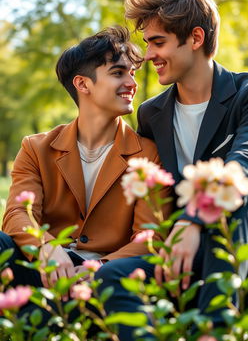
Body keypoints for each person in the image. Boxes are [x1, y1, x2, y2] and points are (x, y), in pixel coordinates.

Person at [96, 0, 248, 340]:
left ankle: (214, 331)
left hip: (235, 244)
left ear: (195, 37)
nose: (148, 54)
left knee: (236, 196)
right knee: (112, 276)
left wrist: (194, 219)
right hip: (179, 251)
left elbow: (246, 163)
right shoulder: (151, 113)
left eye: (158, 42)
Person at [0, 26, 170, 329]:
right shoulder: (36, 148)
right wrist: (46, 248)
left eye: (132, 73)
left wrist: (98, 267)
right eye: (119, 73)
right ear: (82, 84)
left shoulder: (148, 153)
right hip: (44, 271)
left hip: (107, 281)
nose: (132, 83)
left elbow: (150, 237)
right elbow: (16, 215)